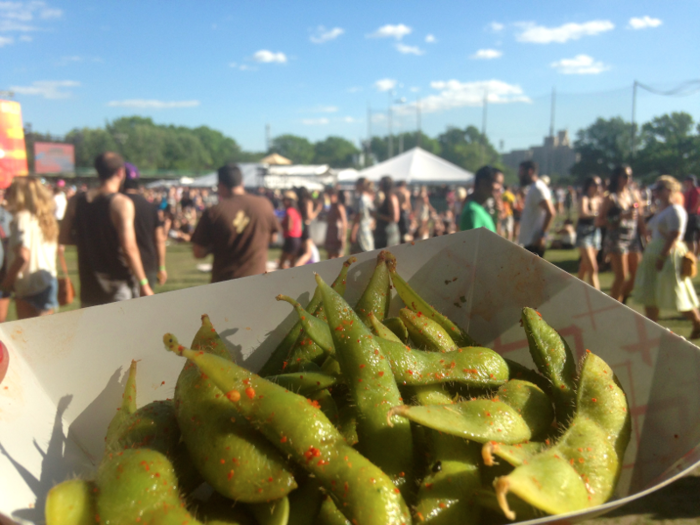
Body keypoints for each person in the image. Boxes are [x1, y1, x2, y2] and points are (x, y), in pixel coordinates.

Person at [60, 152, 153, 307]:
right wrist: (144, 283)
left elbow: (63, 238)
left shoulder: (76, 201)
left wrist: (90, 241)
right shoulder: (121, 203)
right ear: (120, 172)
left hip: (89, 288)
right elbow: (129, 248)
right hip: (119, 287)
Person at [634, 176, 700, 339]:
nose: (655, 192)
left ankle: (697, 322)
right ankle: (652, 329)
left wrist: (662, 257)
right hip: (655, 251)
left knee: (676, 291)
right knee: (651, 292)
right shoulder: (661, 209)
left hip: (668, 255)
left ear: (669, 190)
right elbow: (652, 229)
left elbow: (674, 235)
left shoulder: (676, 210)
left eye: (660, 188)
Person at [192, 164, 280, 281]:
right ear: (242, 183)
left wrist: (215, 246)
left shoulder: (214, 212)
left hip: (225, 282)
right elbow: (273, 238)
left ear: (221, 185)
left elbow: (198, 252)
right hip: (258, 280)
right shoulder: (264, 205)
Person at [1, 177, 58, 318]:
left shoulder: (22, 217)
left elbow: (22, 255)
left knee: (31, 336)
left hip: (29, 286)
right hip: (46, 281)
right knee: (47, 335)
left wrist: (7, 282)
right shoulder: (45, 217)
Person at [122, 163, 167, 289]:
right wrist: (161, 267)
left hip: (121, 267)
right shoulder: (150, 207)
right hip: (148, 265)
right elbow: (159, 240)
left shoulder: (114, 205)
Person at [599, 165, 638, 303]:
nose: (629, 179)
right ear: (617, 178)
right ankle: (613, 308)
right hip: (617, 239)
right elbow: (599, 221)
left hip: (633, 237)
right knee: (621, 276)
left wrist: (645, 233)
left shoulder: (632, 194)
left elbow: (639, 216)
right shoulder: (610, 197)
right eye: (625, 176)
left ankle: (621, 302)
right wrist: (620, 216)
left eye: (630, 176)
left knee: (637, 275)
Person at [517, 161, 556, 257]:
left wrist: (542, 236)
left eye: (521, 172)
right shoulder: (533, 187)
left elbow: (550, 212)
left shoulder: (538, 187)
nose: (519, 175)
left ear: (530, 171)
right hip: (529, 241)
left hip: (534, 242)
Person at [576, 176, 603, 289]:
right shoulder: (584, 198)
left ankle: (575, 290)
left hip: (595, 232)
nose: (597, 187)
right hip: (584, 232)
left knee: (584, 266)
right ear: (588, 186)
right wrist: (597, 214)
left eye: (599, 184)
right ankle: (598, 298)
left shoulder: (599, 199)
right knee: (593, 268)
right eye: (595, 184)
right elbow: (582, 213)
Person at [459, 165, 504, 232]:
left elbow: (494, 240)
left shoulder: (481, 210)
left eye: (501, 184)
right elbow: (474, 241)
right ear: (482, 183)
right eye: (497, 183)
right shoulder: (473, 211)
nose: (500, 188)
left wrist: (497, 217)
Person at [278, 191, 303, 269]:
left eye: (286, 200)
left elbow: (289, 227)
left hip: (290, 240)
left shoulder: (290, 211)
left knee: (281, 264)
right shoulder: (296, 211)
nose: (284, 202)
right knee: (292, 265)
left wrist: (280, 225)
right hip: (297, 239)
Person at [374, 176, 401, 249]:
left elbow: (394, 218)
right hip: (383, 232)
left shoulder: (391, 198)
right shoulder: (386, 197)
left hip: (388, 233)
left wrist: (378, 215)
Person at [349, 177, 375, 254]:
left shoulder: (361, 199)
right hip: (367, 231)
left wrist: (353, 233)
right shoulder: (368, 198)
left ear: (360, 185)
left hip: (361, 233)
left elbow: (358, 217)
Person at [324, 187, 347, 259]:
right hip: (331, 233)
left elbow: (344, 222)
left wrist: (343, 236)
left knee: (338, 255)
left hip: (337, 233)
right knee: (330, 255)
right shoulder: (331, 206)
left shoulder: (339, 207)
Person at [682, 175, 700, 255]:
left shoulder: (696, 190)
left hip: (694, 215)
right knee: (689, 237)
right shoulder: (686, 191)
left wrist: (694, 210)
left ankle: (694, 255)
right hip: (688, 214)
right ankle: (692, 254)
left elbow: (698, 200)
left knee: (693, 237)